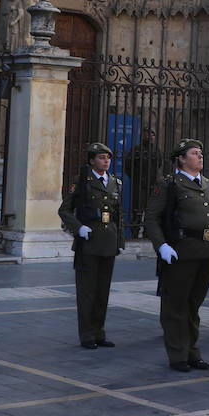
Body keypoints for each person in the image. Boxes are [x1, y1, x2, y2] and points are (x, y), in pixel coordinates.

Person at [143, 138, 209, 372]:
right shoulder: (169, 184)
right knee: (175, 306)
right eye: (194, 153)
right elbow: (151, 219)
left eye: (201, 153)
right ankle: (178, 354)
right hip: (181, 252)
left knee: (193, 306)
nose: (200, 156)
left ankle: (192, 351)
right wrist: (162, 246)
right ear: (181, 158)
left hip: (207, 253)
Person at [57, 142, 124, 349]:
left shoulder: (115, 183)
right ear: (92, 160)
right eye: (102, 157)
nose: (106, 161)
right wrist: (79, 228)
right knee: (87, 291)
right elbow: (65, 210)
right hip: (89, 242)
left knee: (103, 291)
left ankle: (99, 332)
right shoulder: (82, 182)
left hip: (108, 242)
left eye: (108, 158)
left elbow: (117, 216)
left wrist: (119, 241)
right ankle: (87, 334)